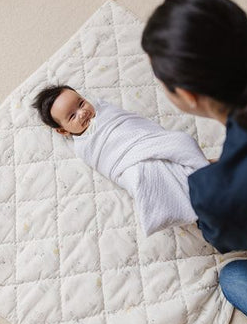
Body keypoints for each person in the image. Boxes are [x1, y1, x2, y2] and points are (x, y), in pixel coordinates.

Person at [141, 0, 247, 324]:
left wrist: (213, 193)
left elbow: (226, 239)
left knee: (235, 278)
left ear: (189, 95)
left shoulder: (217, 190)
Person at [31, 85, 209, 236]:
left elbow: (132, 124)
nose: (82, 113)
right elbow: (107, 159)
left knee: (181, 141)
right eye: (72, 116)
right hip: (127, 162)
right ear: (63, 131)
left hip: (147, 142)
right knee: (144, 177)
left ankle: (204, 185)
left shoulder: (105, 110)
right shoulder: (84, 146)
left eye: (81, 103)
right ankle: (201, 212)